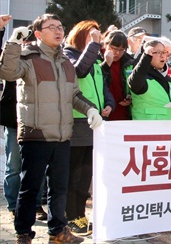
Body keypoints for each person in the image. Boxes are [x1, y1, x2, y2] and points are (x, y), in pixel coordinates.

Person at [0, 14, 102, 244]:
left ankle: (58, 231)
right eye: (51, 27)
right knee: (30, 187)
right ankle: (23, 233)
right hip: (36, 133)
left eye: (60, 27)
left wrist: (90, 110)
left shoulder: (65, 61)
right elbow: (7, 73)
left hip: (63, 134)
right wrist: (13, 43)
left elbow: (74, 94)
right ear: (38, 33)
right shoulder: (28, 57)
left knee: (59, 188)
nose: (58, 31)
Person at [63, 21, 115, 235]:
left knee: (86, 173)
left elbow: (102, 86)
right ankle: (70, 215)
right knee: (73, 172)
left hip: (94, 122)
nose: (97, 39)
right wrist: (94, 46)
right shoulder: (69, 55)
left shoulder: (95, 57)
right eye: (92, 36)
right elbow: (79, 73)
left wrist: (109, 103)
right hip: (76, 121)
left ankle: (80, 215)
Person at [0, 18, 47, 222]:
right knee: (14, 166)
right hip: (14, 120)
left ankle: (36, 205)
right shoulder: (12, 57)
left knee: (37, 167)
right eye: (23, 39)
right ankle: (12, 205)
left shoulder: (43, 57)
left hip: (39, 121)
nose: (27, 43)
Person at [128, 39, 171, 119]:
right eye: (158, 52)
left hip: (169, 129)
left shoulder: (169, 80)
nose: (163, 56)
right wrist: (146, 57)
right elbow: (135, 81)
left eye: (164, 52)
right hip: (148, 130)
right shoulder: (141, 77)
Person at [100, 30, 135, 120]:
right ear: (105, 44)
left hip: (123, 110)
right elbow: (98, 81)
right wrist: (106, 64)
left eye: (121, 50)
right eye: (113, 48)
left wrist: (130, 97)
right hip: (103, 108)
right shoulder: (97, 58)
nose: (117, 53)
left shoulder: (129, 62)